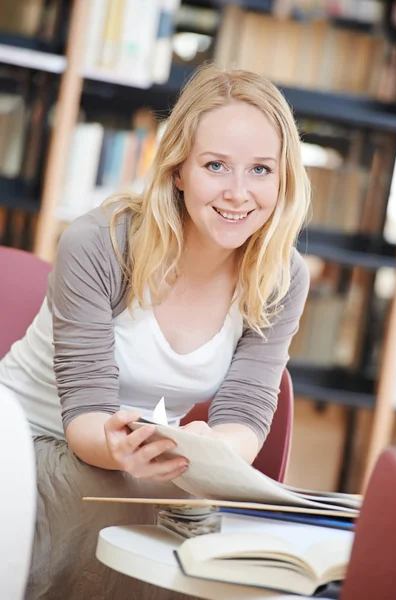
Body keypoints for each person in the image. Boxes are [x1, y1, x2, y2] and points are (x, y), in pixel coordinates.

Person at [0, 63, 310, 599]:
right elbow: (86, 418)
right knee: (154, 520)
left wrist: (213, 448)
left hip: (134, 459)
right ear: (178, 170)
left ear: (284, 178)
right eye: (216, 165)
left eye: (261, 169)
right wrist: (127, 454)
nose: (239, 193)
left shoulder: (282, 274)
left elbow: (246, 414)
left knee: (230, 540)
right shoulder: (101, 243)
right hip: (29, 442)